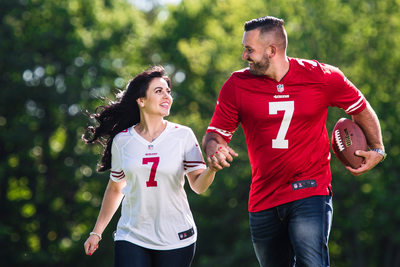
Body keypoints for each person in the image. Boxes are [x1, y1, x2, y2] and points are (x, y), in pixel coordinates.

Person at [202, 16, 386, 266]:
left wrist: (377, 148)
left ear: (272, 50)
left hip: (310, 189)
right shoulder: (237, 85)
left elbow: (360, 107)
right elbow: (215, 134)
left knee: (312, 262)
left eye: (249, 49)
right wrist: (214, 149)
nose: (244, 55)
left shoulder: (322, 76)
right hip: (263, 196)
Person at [83, 66, 221, 267]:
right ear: (141, 101)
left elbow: (198, 187)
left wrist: (212, 169)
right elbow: (115, 188)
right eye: (159, 91)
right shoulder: (123, 141)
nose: (167, 96)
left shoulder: (183, 135)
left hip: (177, 237)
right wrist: (96, 233)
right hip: (131, 236)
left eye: (168, 91)